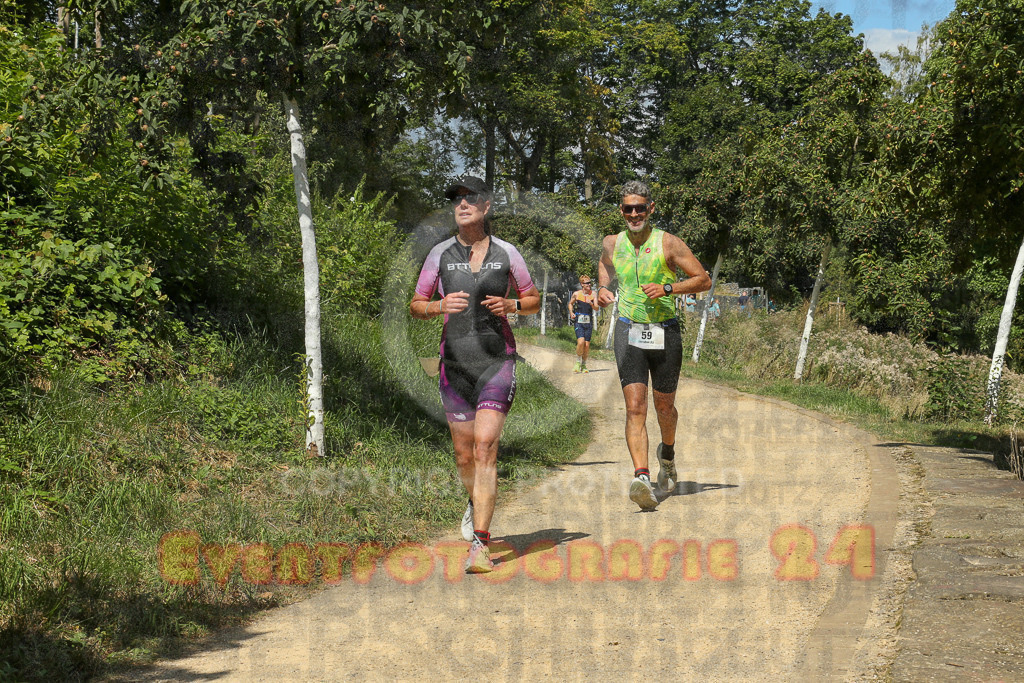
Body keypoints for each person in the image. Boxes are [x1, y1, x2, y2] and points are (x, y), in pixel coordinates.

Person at [410, 175, 541, 572]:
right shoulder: (439, 255)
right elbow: (416, 303)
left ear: (486, 206)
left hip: (497, 361)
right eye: (456, 200)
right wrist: (438, 306)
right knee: (464, 454)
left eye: (470, 199)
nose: (462, 205)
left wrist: (513, 306)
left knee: (485, 448)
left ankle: (481, 546)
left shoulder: (507, 253)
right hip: (454, 364)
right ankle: (474, 500)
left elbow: (533, 299)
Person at [596, 181, 711, 510]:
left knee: (664, 408)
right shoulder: (611, 243)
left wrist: (668, 287)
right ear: (621, 211)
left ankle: (669, 457)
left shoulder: (669, 243)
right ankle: (642, 477)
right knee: (635, 407)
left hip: (665, 332)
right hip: (628, 330)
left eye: (640, 208)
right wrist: (604, 289)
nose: (634, 213)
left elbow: (703, 279)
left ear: (651, 209)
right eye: (628, 208)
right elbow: (605, 266)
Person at [567, 275, 598, 373]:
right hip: (578, 321)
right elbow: (570, 303)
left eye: (590, 283)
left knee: (587, 345)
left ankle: (584, 365)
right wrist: (571, 313)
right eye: (587, 283)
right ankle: (577, 362)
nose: (589, 284)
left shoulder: (593, 294)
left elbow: (596, 308)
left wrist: (591, 304)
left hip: (588, 322)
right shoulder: (576, 294)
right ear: (582, 285)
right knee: (580, 342)